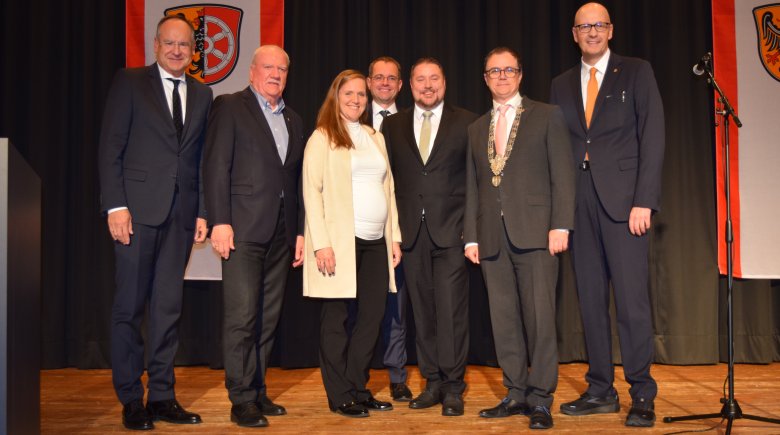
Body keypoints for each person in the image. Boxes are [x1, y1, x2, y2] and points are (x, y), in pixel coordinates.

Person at [550, 2, 665, 428]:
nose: (592, 32)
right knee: (591, 303)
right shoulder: (560, 84)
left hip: (625, 206)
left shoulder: (636, 71)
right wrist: (560, 214)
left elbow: (652, 135)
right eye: (584, 26)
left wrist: (644, 200)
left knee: (632, 304)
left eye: (599, 25)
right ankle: (600, 389)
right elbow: (557, 150)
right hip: (579, 206)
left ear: (610, 30)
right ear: (574, 34)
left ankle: (642, 393)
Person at [98, 14, 212, 431]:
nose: (178, 50)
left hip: (181, 217)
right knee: (129, 307)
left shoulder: (204, 93)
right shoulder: (129, 83)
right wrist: (115, 206)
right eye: (170, 43)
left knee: (168, 308)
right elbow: (111, 146)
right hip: (135, 214)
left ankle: (162, 395)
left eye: (184, 45)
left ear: (193, 51)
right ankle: (131, 399)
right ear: (156, 44)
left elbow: (199, 158)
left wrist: (202, 210)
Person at [464, 47, 575, 430]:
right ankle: (515, 392)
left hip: (536, 235)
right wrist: (470, 236)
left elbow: (563, 174)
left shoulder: (547, 116)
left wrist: (561, 224)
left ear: (520, 75)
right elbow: (474, 186)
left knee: (541, 319)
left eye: (508, 70)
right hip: (492, 238)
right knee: (504, 319)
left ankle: (541, 398)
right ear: (485, 78)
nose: (502, 76)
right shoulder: (476, 128)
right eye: (494, 70)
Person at [203, 45, 305, 428]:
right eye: (268, 67)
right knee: (242, 317)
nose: (275, 73)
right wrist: (220, 220)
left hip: (281, 232)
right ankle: (241, 397)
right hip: (242, 228)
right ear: (251, 71)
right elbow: (216, 164)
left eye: (282, 68)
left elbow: (293, 181)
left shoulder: (293, 118)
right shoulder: (231, 106)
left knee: (267, 318)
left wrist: (297, 232)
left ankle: (258, 390)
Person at [301, 69, 402, 418]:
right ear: (336, 96)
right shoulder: (323, 136)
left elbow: (388, 189)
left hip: (376, 242)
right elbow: (311, 193)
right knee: (336, 319)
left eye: (362, 94)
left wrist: (395, 237)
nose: (356, 100)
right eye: (349, 94)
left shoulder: (375, 136)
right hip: (340, 243)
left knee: (372, 318)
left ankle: (358, 386)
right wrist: (321, 244)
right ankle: (339, 393)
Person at [382, 58, 478, 417]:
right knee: (422, 312)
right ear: (410, 84)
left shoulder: (467, 122)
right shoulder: (392, 126)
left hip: (452, 232)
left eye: (433, 78)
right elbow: (386, 182)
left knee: (451, 312)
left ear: (444, 82)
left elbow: (474, 180)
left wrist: (472, 228)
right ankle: (432, 382)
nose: (427, 85)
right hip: (410, 234)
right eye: (420, 79)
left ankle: (454, 387)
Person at [366, 56, 412, 401]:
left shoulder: (412, 121)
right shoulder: (348, 117)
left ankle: (397, 375)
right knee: (357, 305)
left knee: (396, 304)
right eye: (378, 77)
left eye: (391, 78)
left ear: (400, 85)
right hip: (358, 227)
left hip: (400, 226)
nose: (384, 83)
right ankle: (355, 373)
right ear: (369, 82)